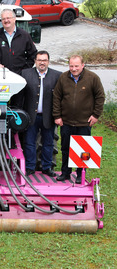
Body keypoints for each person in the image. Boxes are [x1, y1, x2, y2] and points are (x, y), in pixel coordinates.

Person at [53, 55, 105, 183]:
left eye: (76, 66)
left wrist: (96, 115)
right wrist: (57, 116)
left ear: (83, 65)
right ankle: (65, 173)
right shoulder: (63, 78)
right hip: (66, 121)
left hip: (84, 122)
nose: (74, 69)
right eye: (71, 66)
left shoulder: (92, 78)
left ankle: (81, 174)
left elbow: (100, 97)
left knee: (83, 150)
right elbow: (56, 97)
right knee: (65, 148)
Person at [17, 51, 61, 177]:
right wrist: (19, 112)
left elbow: (60, 97)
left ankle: (47, 167)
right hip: (30, 116)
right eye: (39, 60)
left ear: (48, 61)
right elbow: (20, 96)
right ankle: (30, 167)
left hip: (48, 116)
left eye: (45, 60)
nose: (42, 62)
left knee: (48, 143)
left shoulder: (57, 75)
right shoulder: (25, 74)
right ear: (35, 61)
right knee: (29, 143)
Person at [0, 8, 37, 75]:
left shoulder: (24, 35)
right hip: (1, 74)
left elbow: (33, 54)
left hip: (20, 75)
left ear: (14, 19)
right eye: (3, 19)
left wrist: (25, 69)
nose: (6, 20)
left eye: (8, 18)